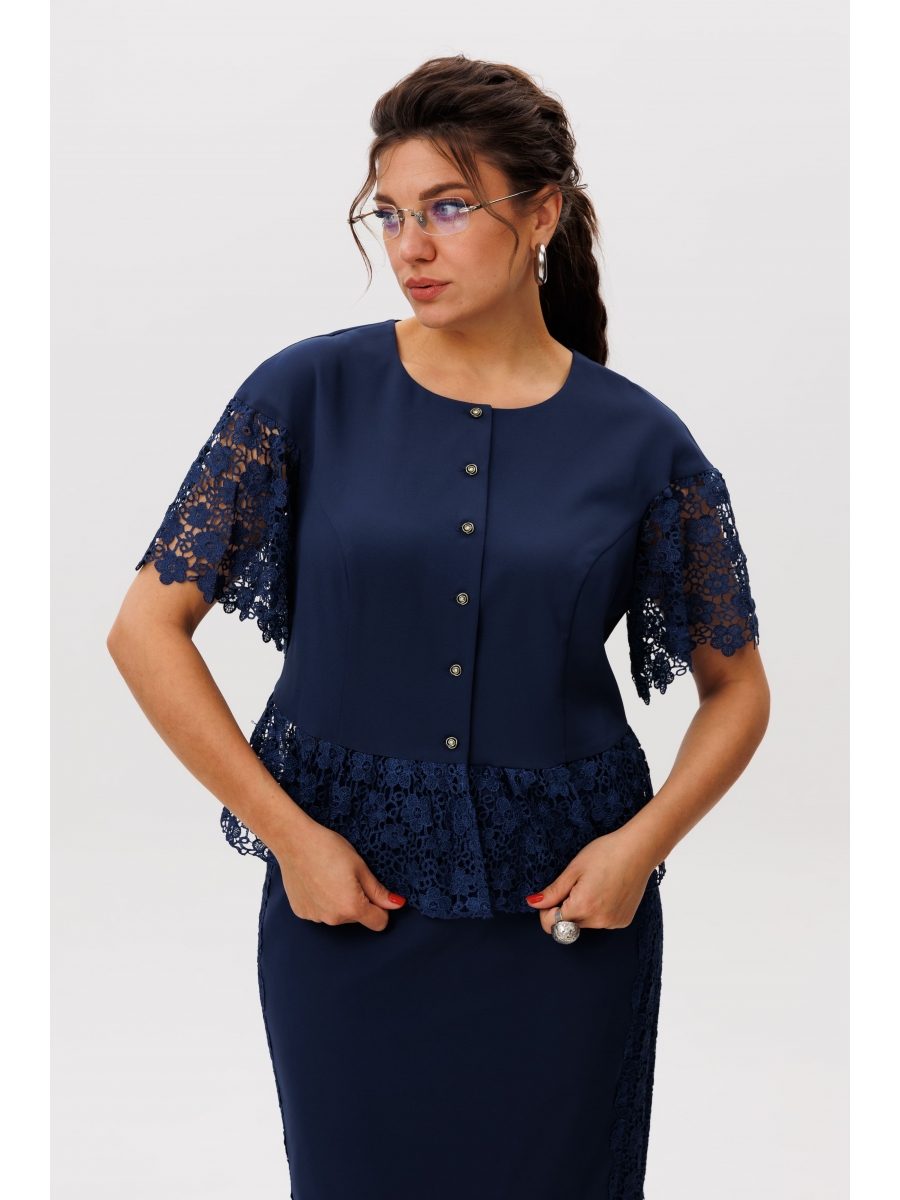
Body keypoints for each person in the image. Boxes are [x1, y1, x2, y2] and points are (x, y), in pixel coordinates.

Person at [108, 55, 769, 1200]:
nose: (410, 245)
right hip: (346, 911)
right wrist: (291, 838)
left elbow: (739, 688)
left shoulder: (643, 444)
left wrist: (639, 848)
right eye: (391, 214)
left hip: (566, 926)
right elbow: (144, 629)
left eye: (449, 208)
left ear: (542, 214)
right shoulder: (305, 394)